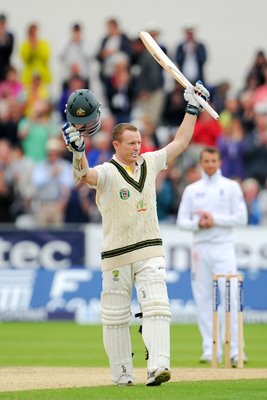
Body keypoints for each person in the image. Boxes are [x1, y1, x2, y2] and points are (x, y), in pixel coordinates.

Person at [61, 82, 209, 386]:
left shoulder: (150, 162)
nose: (137, 147)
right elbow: (83, 176)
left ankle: (158, 368)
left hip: (149, 249)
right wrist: (78, 152)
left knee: (157, 305)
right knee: (115, 318)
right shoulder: (106, 172)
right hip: (116, 254)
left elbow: (179, 143)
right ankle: (122, 375)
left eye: (139, 142)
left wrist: (192, 108)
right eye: (131, 143)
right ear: (116, 145)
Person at [176, 147, 248, 367]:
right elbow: (181, 222)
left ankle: (235, 351)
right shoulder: (192, 190)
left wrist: (214, 219)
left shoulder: (231, 187)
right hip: (200, 247)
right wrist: (199, 223)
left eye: (213, 160)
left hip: (223, 247)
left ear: (219, 161)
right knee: (203, 298)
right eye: (206, 161)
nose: (210, 164)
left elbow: (241, 218)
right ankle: (210, 349)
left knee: (231, 297)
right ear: (201, 163)